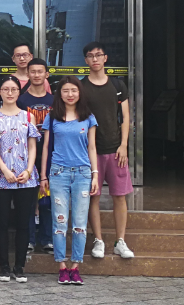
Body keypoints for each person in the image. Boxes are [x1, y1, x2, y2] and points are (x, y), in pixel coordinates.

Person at [40, 76, 99, 286]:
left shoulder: (88, 117)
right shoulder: (52, 117)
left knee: (80, 223)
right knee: (60, 221)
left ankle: (75, 267)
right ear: (60, 94)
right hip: (59, 173)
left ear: (80, 92)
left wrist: (95, 174)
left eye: (74, 90)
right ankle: (62, 266)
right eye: (65, 91)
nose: (70, 94)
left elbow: (92, 147)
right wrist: (43, 175)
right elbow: (46, 147)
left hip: (83, 173)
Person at [80, 41, 136, 260]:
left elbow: (126, 117)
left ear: (105, 58)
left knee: (120, 196)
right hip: (90, 151)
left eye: (98, 55)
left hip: (115, 149)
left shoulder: (117, 85)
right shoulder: (81, 87)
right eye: (90, 56)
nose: (95, 59)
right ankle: (98, 240)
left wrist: (124, 145)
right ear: (86, 60)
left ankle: (120, 241)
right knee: (93, 197)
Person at [0, 76, 40, 283]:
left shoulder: (28, 116)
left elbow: (32, 146)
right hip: (1, 177)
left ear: (19, 92)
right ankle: (3, 266)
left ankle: (19, 267)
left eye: (13, 89)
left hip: (25, 178)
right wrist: (4, 170)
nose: (10, 93)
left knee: (23, 223)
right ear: (0, 92)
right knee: (1, 223)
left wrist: (29, 170)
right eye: (5, 89)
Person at [17, 59, 54, 253]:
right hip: (26, 155)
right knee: (29, 200)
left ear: (47, 74)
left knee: (47, 198)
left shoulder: (54, 100)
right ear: (28, 74)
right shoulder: (21, 101)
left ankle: (47, 238)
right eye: (33, 71)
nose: (37, 75)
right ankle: (29, 239)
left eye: (41, 71)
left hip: (50, 155)